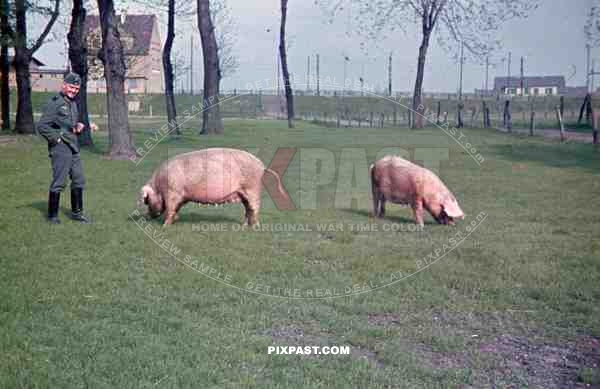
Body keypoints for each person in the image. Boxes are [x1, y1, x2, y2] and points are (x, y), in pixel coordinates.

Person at [37, 72, 91, 224]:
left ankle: (77, 213)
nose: (73, 91)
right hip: (60, 148)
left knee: (79, 179)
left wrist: (77, 127)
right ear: (64, 85)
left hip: (73, 146)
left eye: (76, 88)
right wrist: (56, 139)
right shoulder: (55, 102)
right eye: (71, 87)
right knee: (60, 181)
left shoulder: (72, 103)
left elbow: (68, 126)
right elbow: (42, 126)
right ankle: (53, 216)